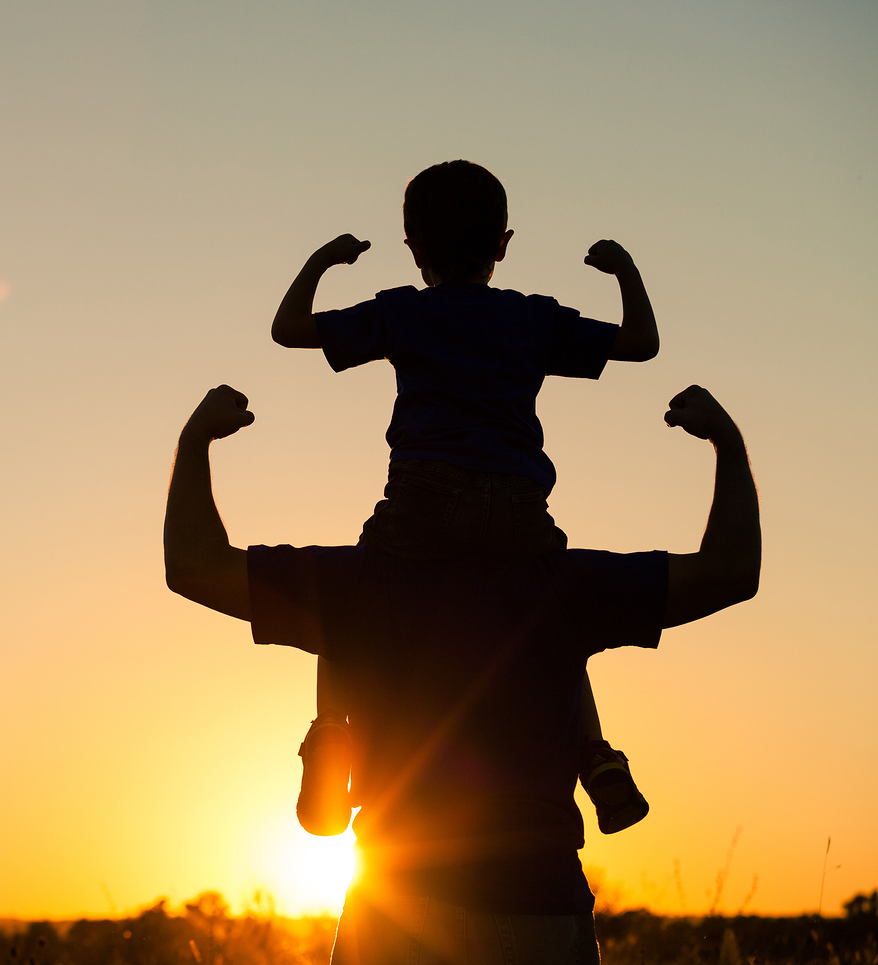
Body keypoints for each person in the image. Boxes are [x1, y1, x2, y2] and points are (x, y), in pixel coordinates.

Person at [164, 382, 759, 965]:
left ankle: (329, 736)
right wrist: (725, 442)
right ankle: (599, 759)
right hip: (539, 904)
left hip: (399, 913)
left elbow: (193, 566)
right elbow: (729, 570)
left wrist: (196, 441)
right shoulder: (561, 584)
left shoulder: (357, 583)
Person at [271, 160, 660, 837]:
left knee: (342, 603)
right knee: (557, 625)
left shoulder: (403, 310)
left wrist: (324, 260)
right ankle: (595, 756)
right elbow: (640, 344)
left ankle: (333, 736)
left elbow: (289, 328)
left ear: (412, 246)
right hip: (517, 509)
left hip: (423, 499)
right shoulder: (531, 318)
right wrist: (624, 271)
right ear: (502, 244)